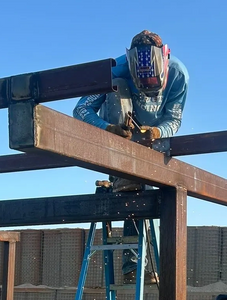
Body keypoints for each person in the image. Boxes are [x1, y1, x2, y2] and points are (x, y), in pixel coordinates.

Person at [72, 30, 189, 284]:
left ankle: (134, 265)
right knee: (132, 191)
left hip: (153, 145)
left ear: (164, 62)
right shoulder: (115, 70)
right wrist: (108, 129)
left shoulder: (179, 75)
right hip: (118, 144)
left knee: (144, 196)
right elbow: (80, 109)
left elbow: (174, 119)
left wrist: (157, 131)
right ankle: (121, 176)